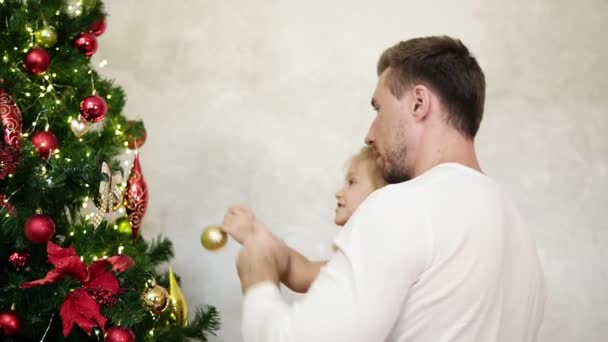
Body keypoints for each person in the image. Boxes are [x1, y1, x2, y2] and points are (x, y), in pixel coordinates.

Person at [225, 36, 545, 342]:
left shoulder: (403, 205)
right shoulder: (520, 235)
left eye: (378, 109)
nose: (369, 134)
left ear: (418, 103)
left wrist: (259, 277)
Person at [222, 145, 387, 293]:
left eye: (351, 182)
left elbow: (304, 274)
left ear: (380, 196)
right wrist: (254, 231)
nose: (339, 192)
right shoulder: (351, 255)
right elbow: (304, 272)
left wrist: (254, 237)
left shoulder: (371, 260)